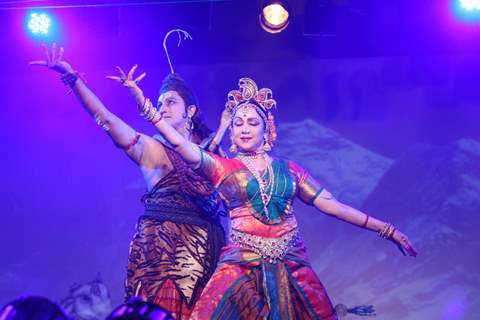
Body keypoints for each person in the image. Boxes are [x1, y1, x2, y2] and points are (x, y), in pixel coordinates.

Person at [140, 77, 418, 319]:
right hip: (240, 264)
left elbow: (332, 206)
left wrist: (386, 229)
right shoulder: (222, 167)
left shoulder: (290, 170)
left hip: (292, 264)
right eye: (238, 123)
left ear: (266, 129)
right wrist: (147, 108)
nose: (244, 128)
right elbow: (181, 144)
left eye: (252, 122)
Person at [30, 44, 227, 319]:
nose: (163, 107)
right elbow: (107, 120)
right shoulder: (151, 148)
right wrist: (72, 79)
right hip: (163, 251)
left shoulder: (213, 153)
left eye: (170, 102)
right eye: (159, 103)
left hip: (209, 248)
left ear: (190, 111)